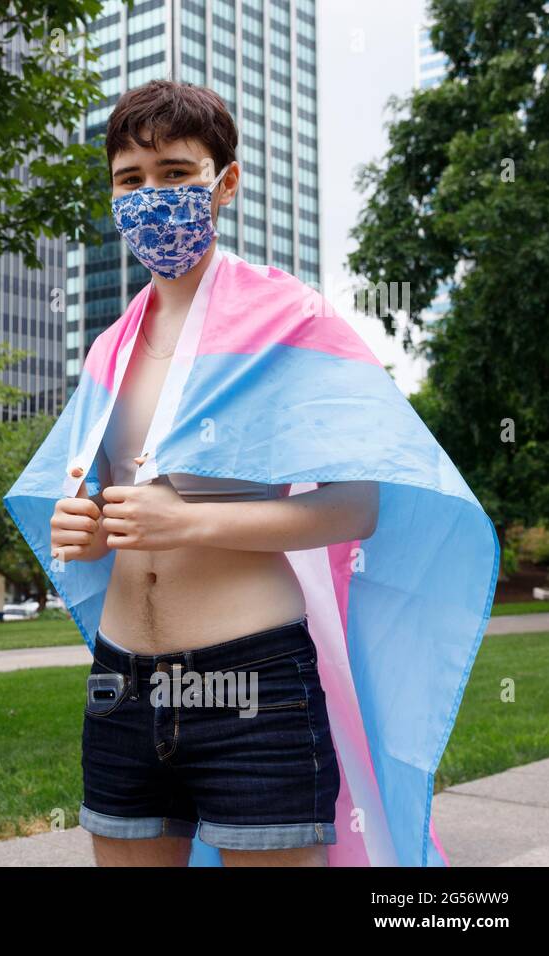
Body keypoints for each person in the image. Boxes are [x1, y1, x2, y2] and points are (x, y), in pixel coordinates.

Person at [50, 81, 381, 867]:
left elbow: (356, 505)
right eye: (130, 180)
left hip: (253, 681)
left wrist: (189, 521)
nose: (150, 196)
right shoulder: (108, 347)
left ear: (224, 183)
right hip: (121, 686)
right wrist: (84, 527)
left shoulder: (296, 321)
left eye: (175, 173)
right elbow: (97, 496)